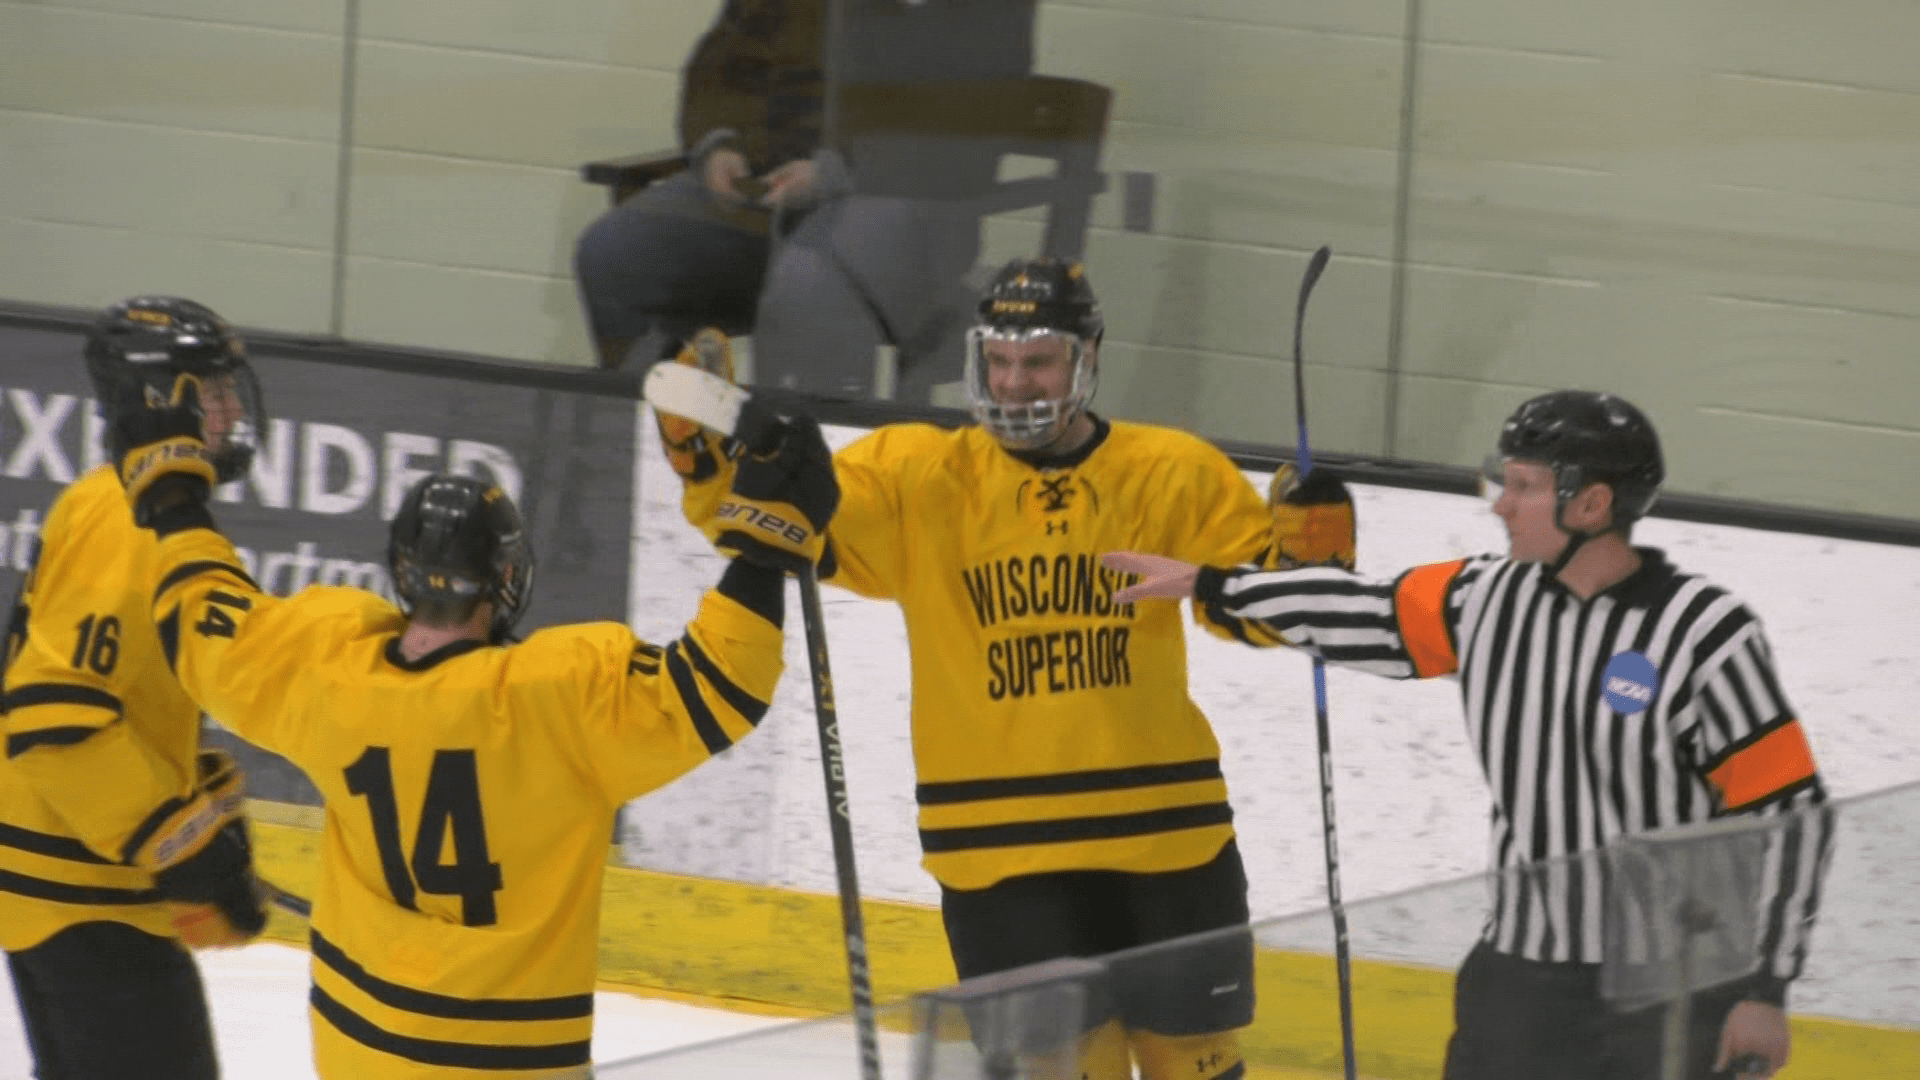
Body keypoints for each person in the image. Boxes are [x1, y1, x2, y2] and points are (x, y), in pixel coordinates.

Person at [660, 258, 1326, 1080]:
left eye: (1038, 360)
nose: (1015, 383)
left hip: (1172, 844)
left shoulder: (1174, 471)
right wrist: (706, 461)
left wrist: (1311, 548)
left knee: (1194, 1066)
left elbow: (1278, 614)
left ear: (1087, 357)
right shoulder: (916, 475)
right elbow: (770, 525)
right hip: (1000, 863)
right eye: (999, 362)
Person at [109, 375, 839, 1078]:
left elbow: (205, 625)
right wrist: (765, 544)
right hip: (508, 1061)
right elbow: (720, 685)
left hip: (356, 1045)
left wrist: (174, 503)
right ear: (505, 576)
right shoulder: (558, 694)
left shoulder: (326, 669)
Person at [1104, 391, 1833, 1080]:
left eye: (1523, 486)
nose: (1502, 506)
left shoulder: (1704, 632)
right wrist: (1214, 587)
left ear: (1592, 503)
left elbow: (1789, 811)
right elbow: (1358, 610)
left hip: (1669, 990)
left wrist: (1766, 987)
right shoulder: (1482, 599)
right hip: (1521, 977)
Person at [0, 296, 272, 1080]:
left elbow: (131, 700)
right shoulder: (129, 521)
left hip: (77, 885)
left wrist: (209, 818)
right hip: (80, 893)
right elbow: (55, 718)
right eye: (211, 393)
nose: (231, 410)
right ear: (159, 402)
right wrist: (179, 843)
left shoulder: (111, 498)